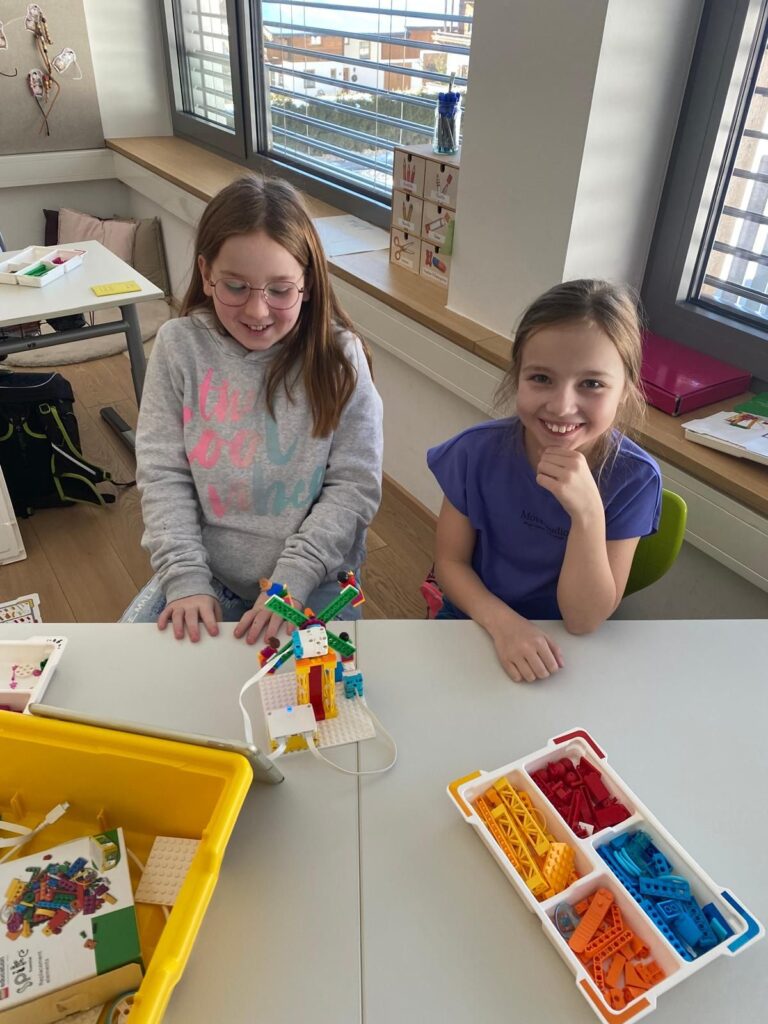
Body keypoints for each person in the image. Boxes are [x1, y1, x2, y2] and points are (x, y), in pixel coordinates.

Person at [122, 176, 383, 643]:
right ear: (206, 274)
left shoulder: (341, 359)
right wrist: (184, 577)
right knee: (129, 663)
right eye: (236, 286)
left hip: (315, 579)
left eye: (280, 290)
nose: (258, 311)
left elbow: (354, 486)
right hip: (208, 571)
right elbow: (163, 473)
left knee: (313, 686)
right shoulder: (178, 347)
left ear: (308, 283)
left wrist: (293, 580)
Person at [427, 279, 661, 683]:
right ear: (517, 376)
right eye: (541, 378)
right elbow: (450, 563)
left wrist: (588, 514)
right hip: (477, 619)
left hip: (568, 645)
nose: (562, 406)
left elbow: (583, 620)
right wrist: (504, 625)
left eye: (592, 384)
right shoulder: (473, 453)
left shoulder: (634, 479)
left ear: (625, 389)